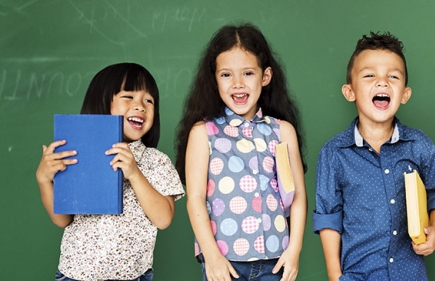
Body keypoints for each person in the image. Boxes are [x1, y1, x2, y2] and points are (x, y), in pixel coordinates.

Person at [312, 31, 435, 281]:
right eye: (369, 75)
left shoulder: (418, 144)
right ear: (350, 91)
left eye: (393, 76)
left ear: (405, 94)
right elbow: (328, 219)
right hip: (358, 275)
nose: (382, 82)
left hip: (409, 273)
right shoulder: (334, 154)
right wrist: (336, 277)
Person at [175, 23, 306, 281]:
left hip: (275, 261)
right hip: (225, 262)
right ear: (214, 79)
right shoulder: (203, 132)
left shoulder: (283, 131)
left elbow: (298, 194)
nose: (237, 84)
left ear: (265, 76)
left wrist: (294, 250)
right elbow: (196, 199)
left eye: (247, 73)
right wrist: (212, 257)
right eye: (226, 75)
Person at [35, 62, 185, 281]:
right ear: (103, 103)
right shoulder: (78, 153)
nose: (140, 106)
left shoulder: (156, 161)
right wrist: (44, 179)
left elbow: (163, 219)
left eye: (149, 100)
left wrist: (134, 173)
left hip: (132, 276)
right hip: (75, 274)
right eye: (128, 97)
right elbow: (62, 220)